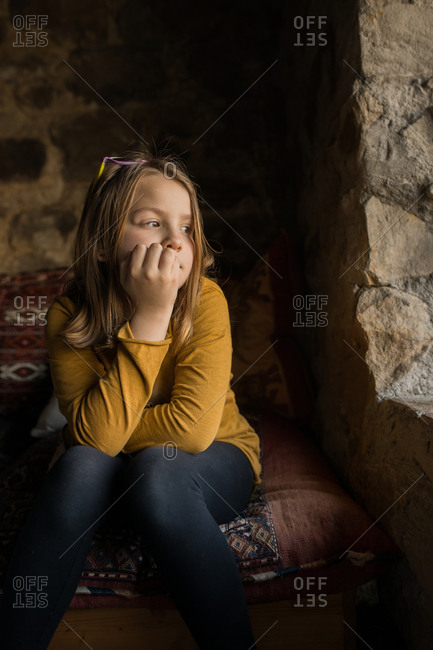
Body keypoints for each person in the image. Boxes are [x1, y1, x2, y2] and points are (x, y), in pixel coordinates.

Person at [0, 150, 261, 649]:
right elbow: (91, 447)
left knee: (152, 469)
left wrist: (95, 433)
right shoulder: (68, 316)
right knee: (80, 468)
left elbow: (190, 430)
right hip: (110, 470)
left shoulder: (205, 301)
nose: (173, 240)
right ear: (102, 244)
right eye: (151, 222)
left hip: (212, 458)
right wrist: (147, 318)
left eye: (185, 226)